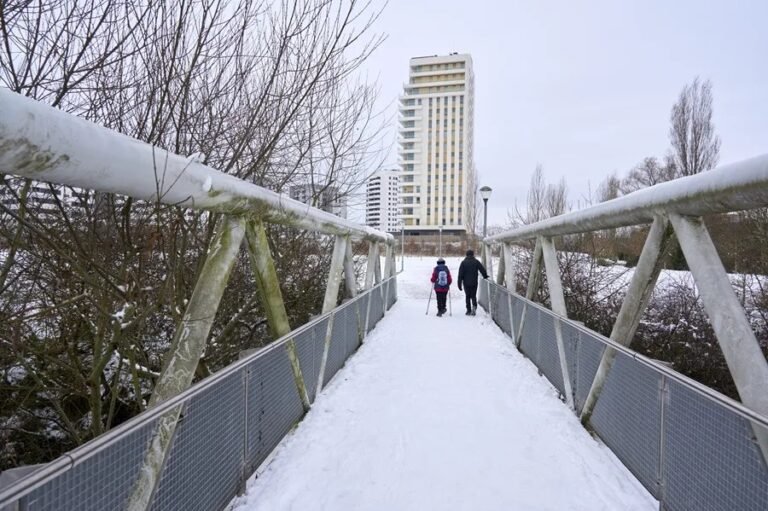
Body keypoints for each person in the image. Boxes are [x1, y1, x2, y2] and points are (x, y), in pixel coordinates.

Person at [457, 249, 488, 315]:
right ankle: (474, 306)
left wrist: (459, 284)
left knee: (467, 296)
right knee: (473, 295)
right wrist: (485, 276)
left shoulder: (463, 263)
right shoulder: (476, 262)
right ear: (473, 254)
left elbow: (460, 274)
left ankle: (468, 310)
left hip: (466, 283)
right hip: (474, 282)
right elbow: (482, 269)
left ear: (466, 255)